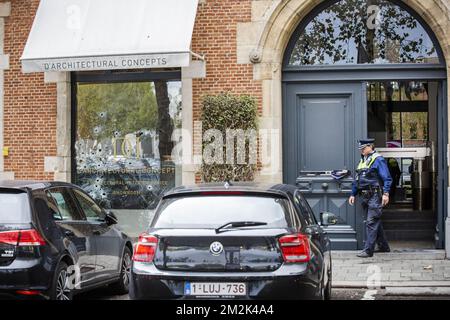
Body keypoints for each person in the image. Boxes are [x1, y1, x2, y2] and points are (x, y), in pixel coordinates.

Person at [348, 139, 392, 258]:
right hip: (365, 196)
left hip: (375, 195)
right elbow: (357, 180)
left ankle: (368, 250)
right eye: (360, 149)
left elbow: (387, 178)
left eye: (363, 148)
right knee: (375, 220)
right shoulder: (362, 161)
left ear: (370, 146)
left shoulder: (378, 159)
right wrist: (353, 194)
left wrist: (386, 193)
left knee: (371, 221)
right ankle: (384, 246)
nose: (361, 150)